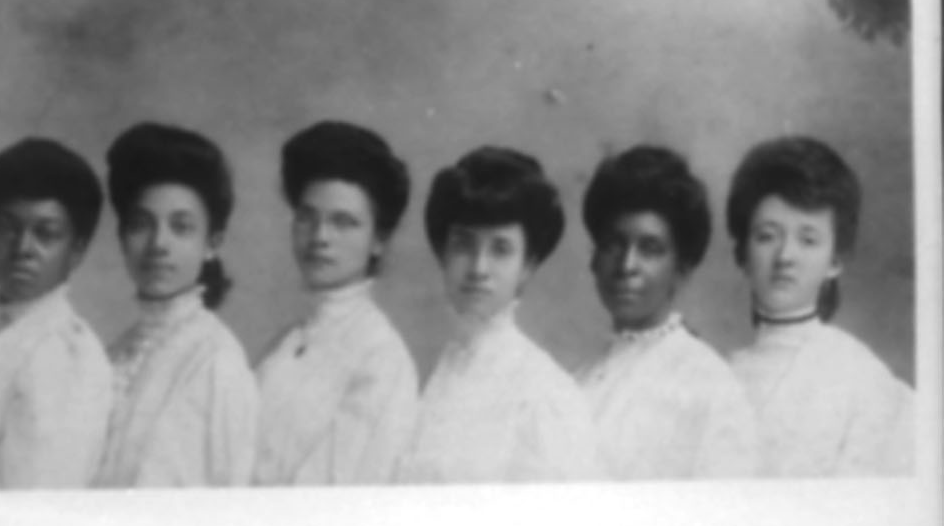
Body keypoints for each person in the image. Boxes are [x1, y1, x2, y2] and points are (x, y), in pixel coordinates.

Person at [402, 146, 596, 483]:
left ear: (528, 265)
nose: (478, 268)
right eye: (464, 245)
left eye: (501, 250)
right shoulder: (441, 371)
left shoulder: (542, 394)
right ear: (442, 252)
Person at [725, 136, 913, 476]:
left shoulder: (862, 378)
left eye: (808, 240)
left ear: (835, 261)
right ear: (743, 255)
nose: (785, 257)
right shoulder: (718, 376)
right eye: (767, 236)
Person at [253, 121, 421, 485]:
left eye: (343, 223)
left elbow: (338, 505)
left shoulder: (379, 359)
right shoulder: (285, 343)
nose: (320, 237)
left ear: (379, 239)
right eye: (307, 218)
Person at [576, 145, 757, 480]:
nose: (627, 266)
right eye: (614, 244)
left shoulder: (708, 386)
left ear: (681, 268)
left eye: (650, 249)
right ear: (594, 258)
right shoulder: (583, 377)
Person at [93, 123, 258, 487]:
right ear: (122, 237)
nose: (158, 244)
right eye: (141, 225)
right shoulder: (114, 356)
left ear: (212, 243)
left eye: (181, 227)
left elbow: (231, 501)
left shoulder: (217, 359)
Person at [0, 138, 112, 489]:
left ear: (77, 251)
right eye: (7, 228)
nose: (23, 248)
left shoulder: (67, 354)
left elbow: (37, 505)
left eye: (46, 234)